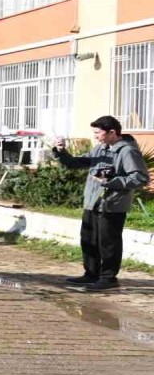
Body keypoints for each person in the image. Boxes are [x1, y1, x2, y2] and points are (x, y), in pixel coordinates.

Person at [53, 116, 151, 291]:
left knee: (108, 243)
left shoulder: (127, 151)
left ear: (112, 132)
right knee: (89, 240)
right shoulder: (100, 149)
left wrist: (110, 181)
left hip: (112, 206)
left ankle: (108, 278)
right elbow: (77, 163)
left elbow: (140, 178)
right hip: (92, 203)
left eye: (98, 132)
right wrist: (61, 151)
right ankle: (91, 274)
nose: (95, 136)